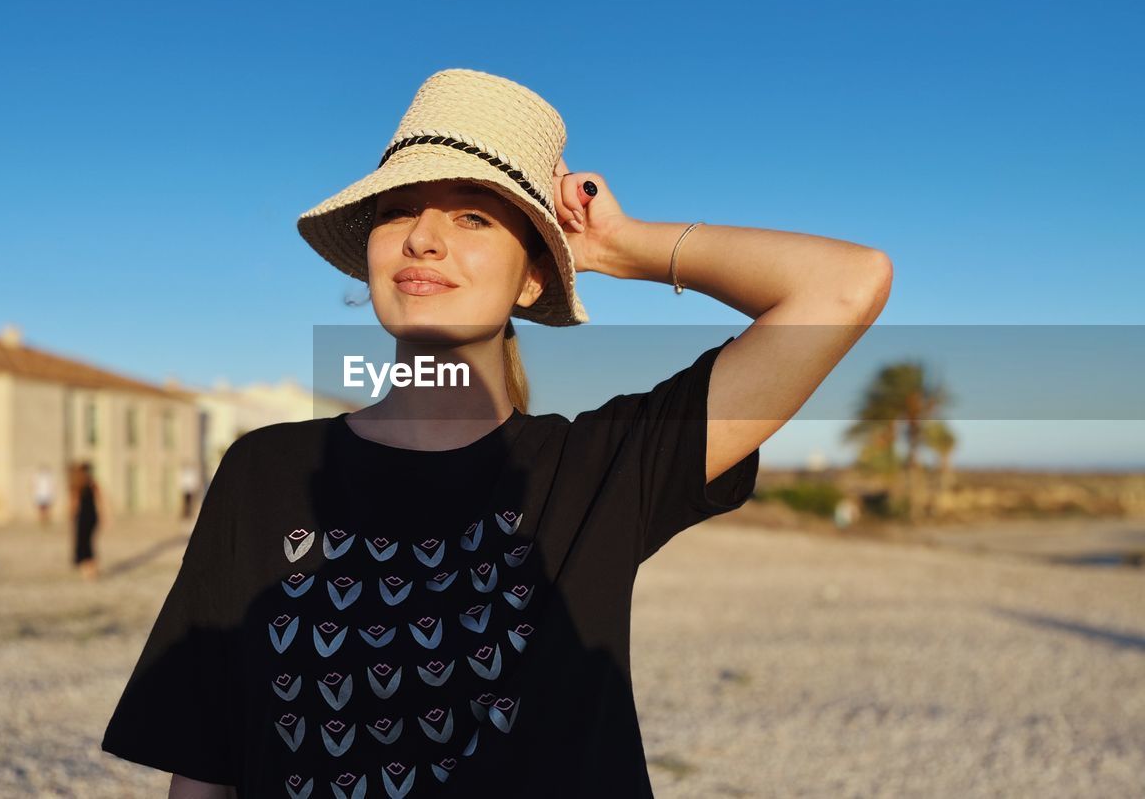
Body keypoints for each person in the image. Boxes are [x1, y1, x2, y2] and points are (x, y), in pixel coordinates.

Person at [100, 68, 891, 798]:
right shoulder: (265, 472)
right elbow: (205, 761)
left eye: (473, 215)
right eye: (399, 209)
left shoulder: (599, 470)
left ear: (534, 274)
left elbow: (845, 285)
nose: (423, 238)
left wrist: (619, 246)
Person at [71, 462, 102, 581]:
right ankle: (92, 568)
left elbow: (74, 503)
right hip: (92, 516)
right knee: (88, 542)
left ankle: (88, 570)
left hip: (83, 517)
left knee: (83, 542)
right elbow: (101, 499)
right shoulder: (91, 484)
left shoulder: (78, 484)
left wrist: (71, 515)